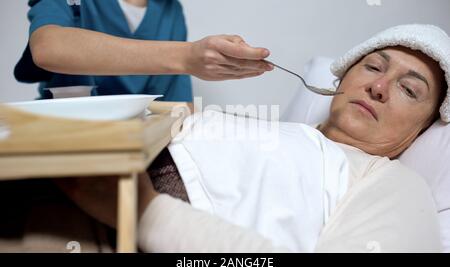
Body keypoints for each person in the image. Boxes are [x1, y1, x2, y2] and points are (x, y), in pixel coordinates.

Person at [57, 24, 450, 253]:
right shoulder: (254, 127)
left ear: (425, 126)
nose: (379, 86)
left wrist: (145, 214)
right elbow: (51, 49)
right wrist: (187, 57)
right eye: (373, 66)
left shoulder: (392, 184)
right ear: (341, 79)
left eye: (409, 89)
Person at [16, 0, 273, 101]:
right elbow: (49, 47)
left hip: (137, 141)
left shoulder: (170, 10)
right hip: (66, 136)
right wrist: (187, 56)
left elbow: (176, 107)